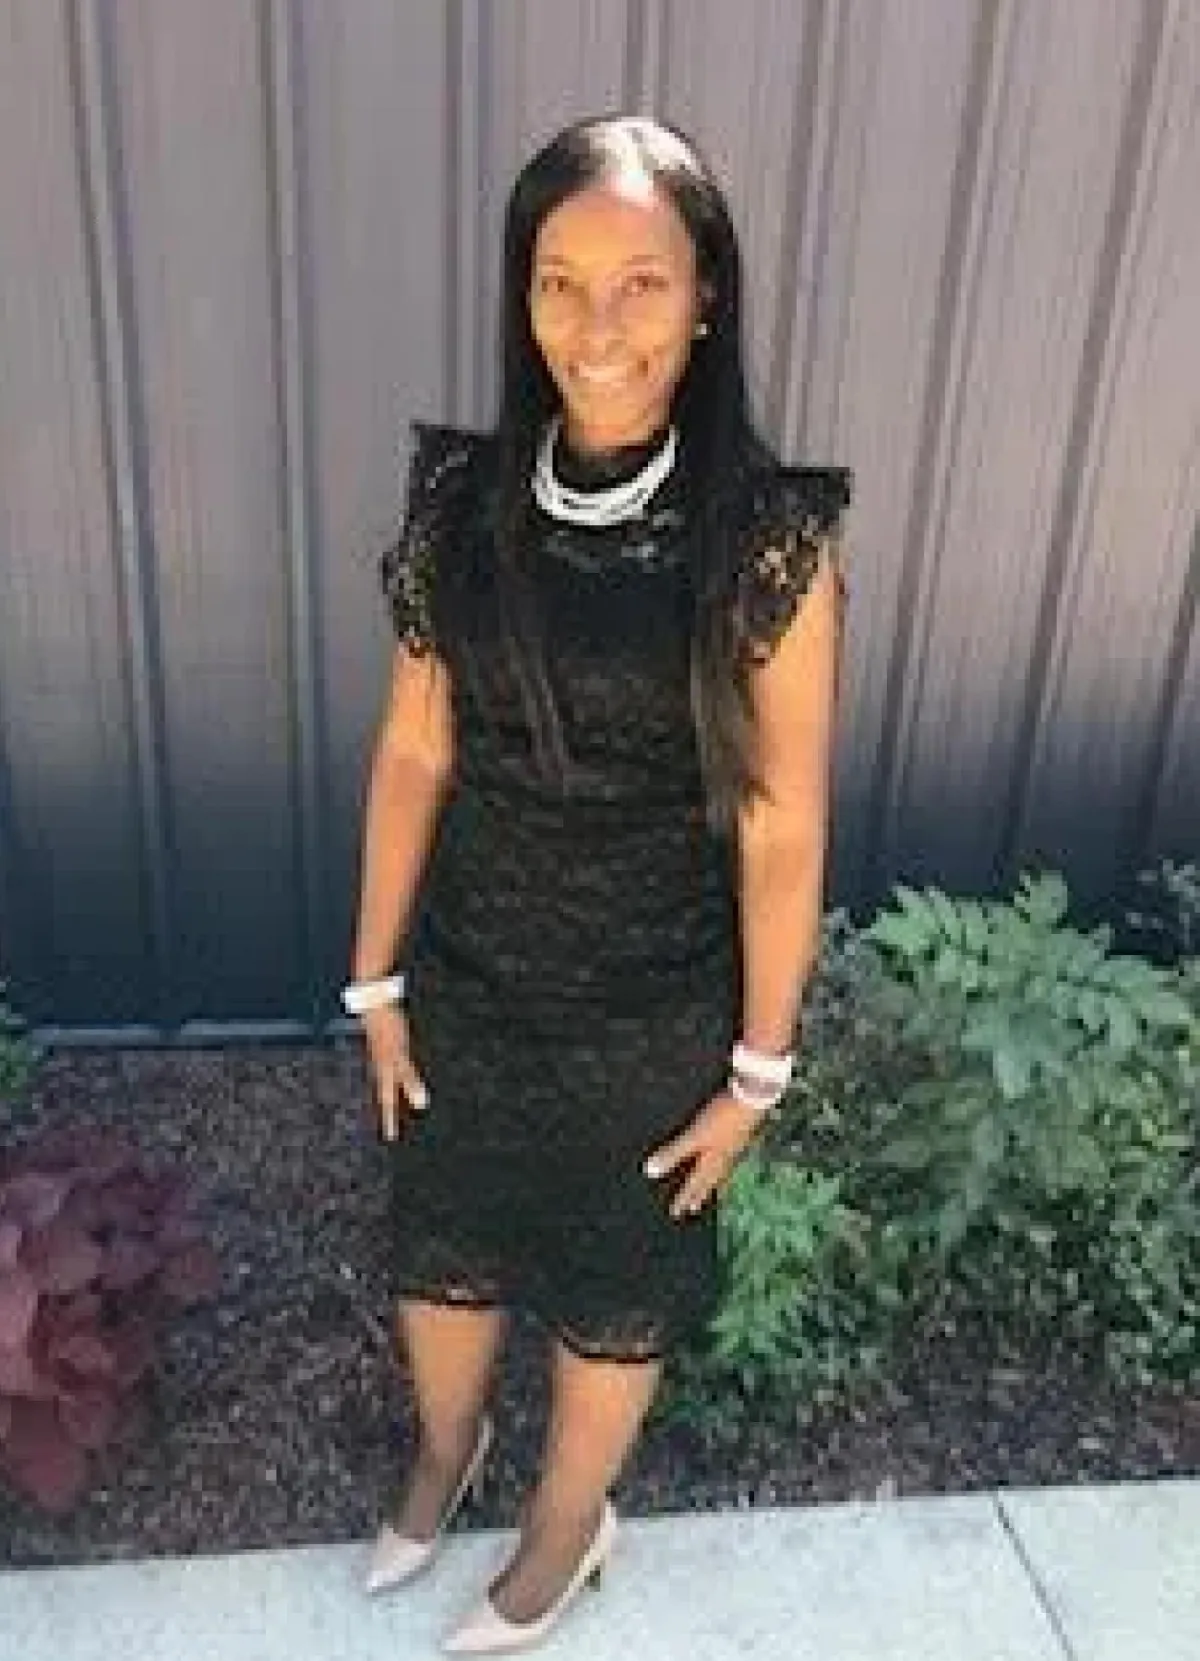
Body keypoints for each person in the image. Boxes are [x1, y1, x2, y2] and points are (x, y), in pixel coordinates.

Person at [345, 113, 851, 1655]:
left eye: (641, 284)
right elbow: (415, 753)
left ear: (708, 299)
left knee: (609, 1288)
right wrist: (375, 980)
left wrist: (758, 1070)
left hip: (652, 1001)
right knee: (444, 1257)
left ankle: (569, 1529)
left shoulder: (767, 543)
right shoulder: (460, 507)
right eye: (560, 283)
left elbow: (778, 825)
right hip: (479, 975)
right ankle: (449, 1454)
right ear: (523, 298)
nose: (598, 326)